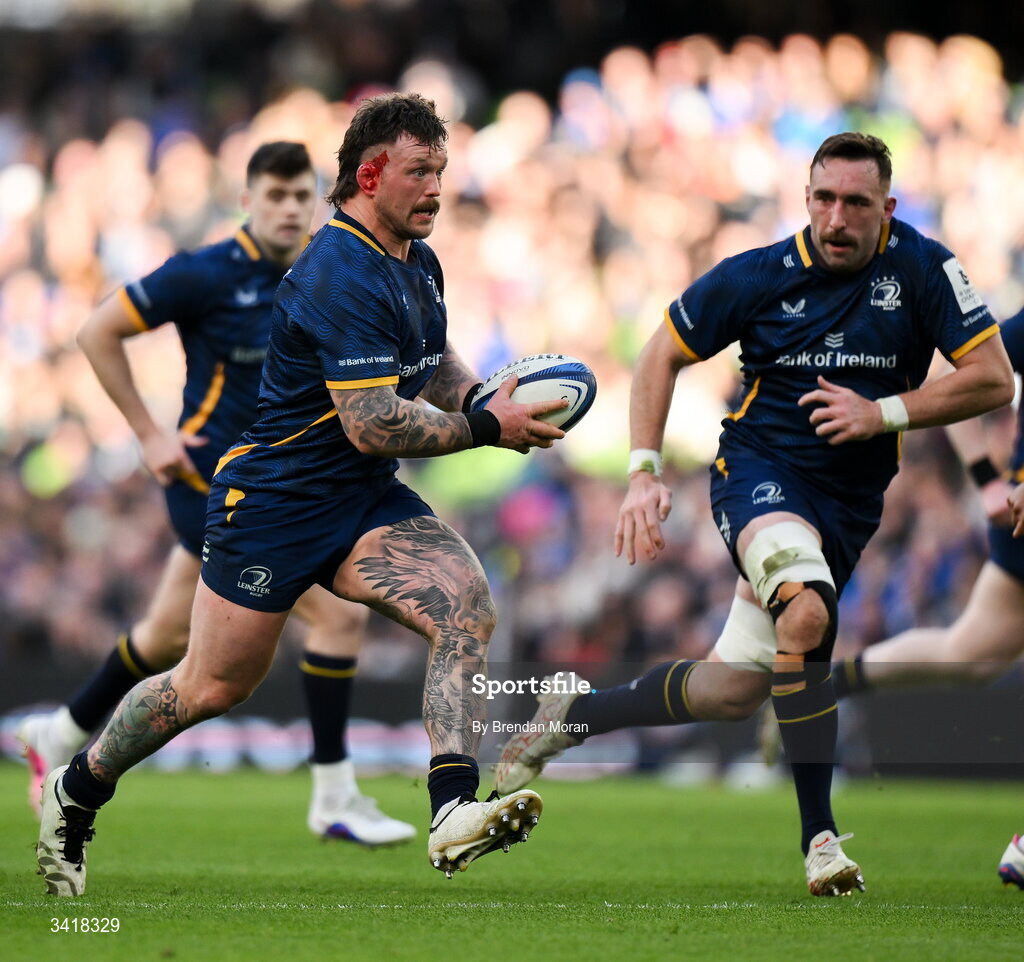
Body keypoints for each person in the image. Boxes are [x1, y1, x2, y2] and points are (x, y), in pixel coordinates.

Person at [35, 93, 565, 897]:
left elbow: (437, 360)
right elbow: (374, 424)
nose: (436, 188)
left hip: (357, 500)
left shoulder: (417, 260)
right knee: (208, 687)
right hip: (274, 504)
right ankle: (80, 785)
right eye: (419, 172)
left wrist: (488, 396)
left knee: (466, 604)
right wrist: (490, 430)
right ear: (368, 175)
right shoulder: (336, 269)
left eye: (441, 171)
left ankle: (453, 807)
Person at [495, 132, 1014, 897]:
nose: (836, 218)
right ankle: (821, 839)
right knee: (807, 614)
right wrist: (642, 473)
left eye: (856, 204)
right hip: (758, 475)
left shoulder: (927, 269)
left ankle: (575, 713)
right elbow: (660, 354)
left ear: (889, 209)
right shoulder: (761, 274)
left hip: (847, 506)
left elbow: (994, 380)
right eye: (823, 199)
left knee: (732, 689)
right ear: (806, 199)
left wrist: (885, 413)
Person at [19, 141, 416, 846]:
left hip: (282, 484)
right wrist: (147, 433)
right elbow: (96, 330)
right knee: (334, 620)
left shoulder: (330, 268)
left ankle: (62, 729)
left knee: (169, 633)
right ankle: (332, 795)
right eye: (276, 195)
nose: (291, 209)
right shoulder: (206, 274)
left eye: (302, 196)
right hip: (210, 483)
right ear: (247, 199)